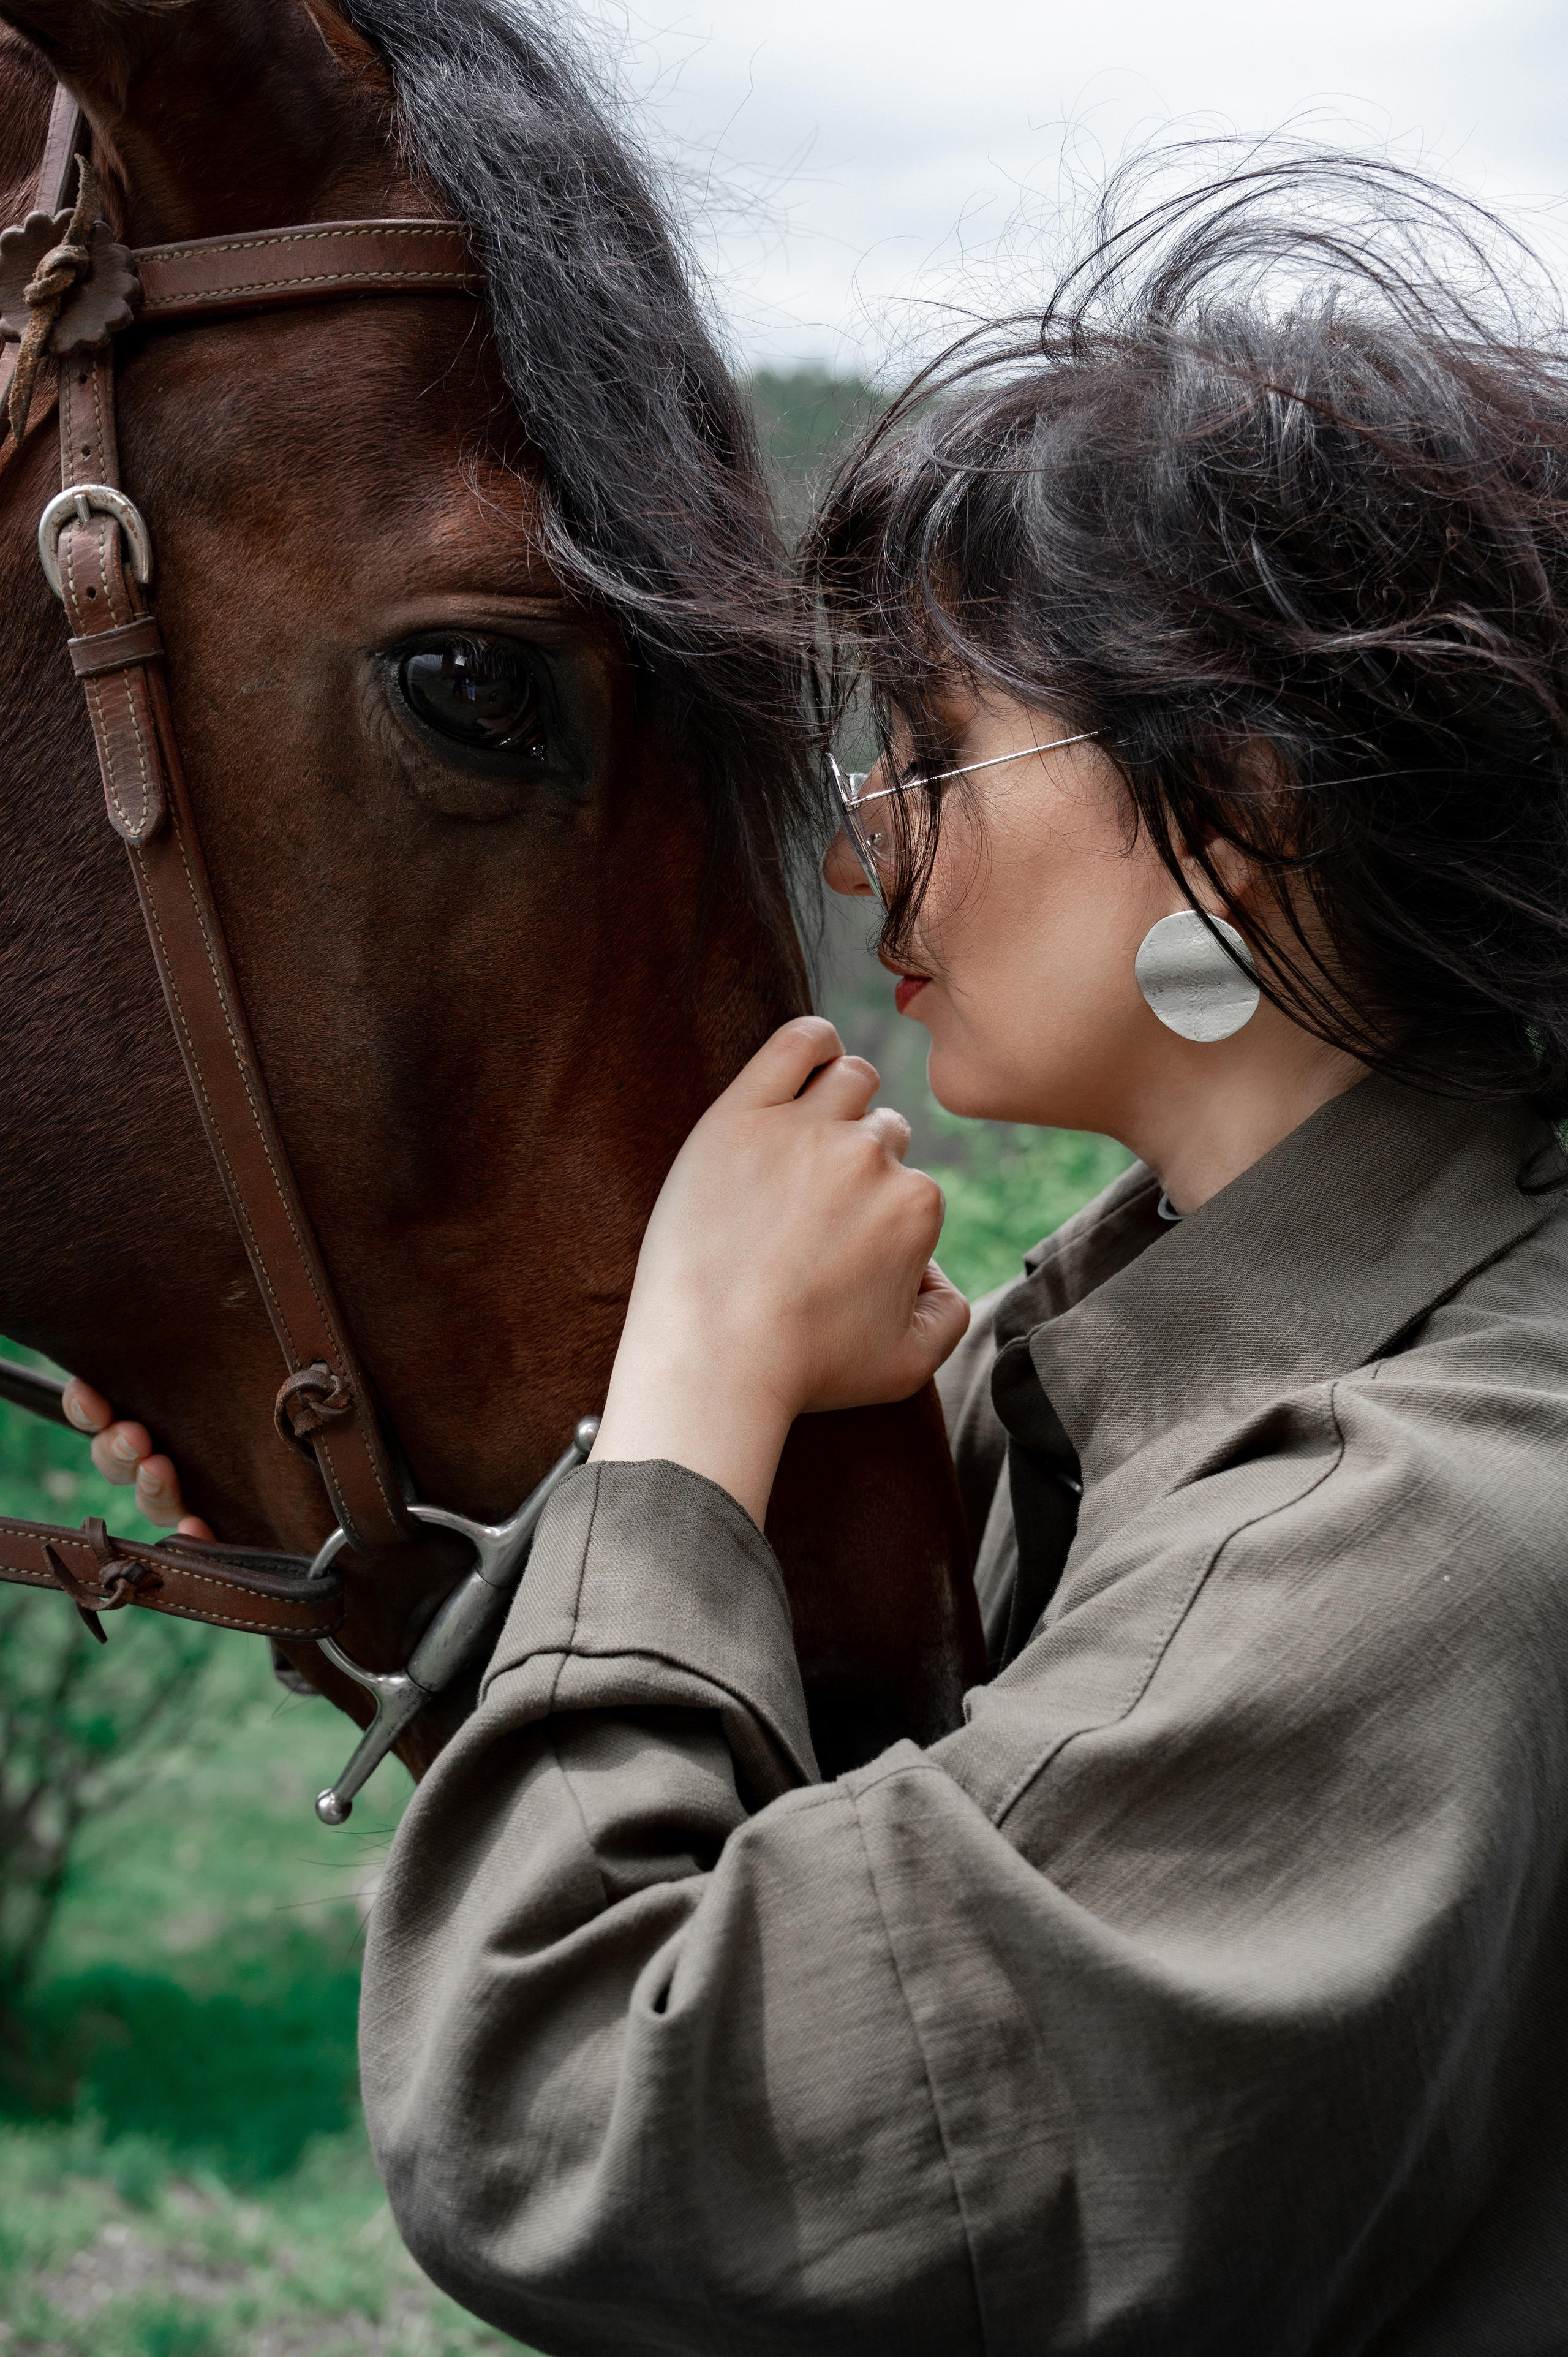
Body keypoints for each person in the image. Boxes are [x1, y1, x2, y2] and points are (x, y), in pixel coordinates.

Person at [67, 159, 1568, 2350]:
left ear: (1237, 809)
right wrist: (383, 1562)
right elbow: (862, 1824)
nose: (866, 835)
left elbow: (594, 2122)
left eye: (941, 751)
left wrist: (690, 1392)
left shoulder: (1398, 1538)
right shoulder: (1166, 1367)